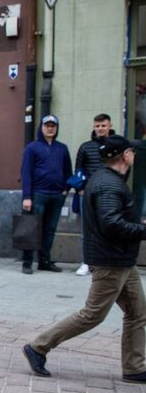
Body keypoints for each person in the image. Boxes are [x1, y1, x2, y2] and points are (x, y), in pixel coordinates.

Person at [22, 135, 146, 383]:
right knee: (92, 315)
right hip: (111, 260)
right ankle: (38, 347)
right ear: (125, 156)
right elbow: (111, 223)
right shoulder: (109, 185)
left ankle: (134, 367)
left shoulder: (107, 180)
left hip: (122, 260)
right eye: (131, 151)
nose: (134, 154)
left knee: (138, 312)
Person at [19, 115, 72, 274]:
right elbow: (26, 173)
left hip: (57, 196)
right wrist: (27, 197)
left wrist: (65, 190)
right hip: (38, 194)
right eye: (47, 125)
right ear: (41, 127)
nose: (50, 128)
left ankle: (44, 261)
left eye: (53, 126)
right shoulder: (32, 147)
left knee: (50, 230)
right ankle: (27, 262)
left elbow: (68, 171)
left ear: (56, 128)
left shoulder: (62, 148)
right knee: (31, 228)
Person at [73, 114, 115, 276]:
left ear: (109, 125)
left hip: (110, 195)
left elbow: (124, 167)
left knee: (108, 228)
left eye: (103, 125)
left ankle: (106, 262)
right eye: (97, 126)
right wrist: (80, 189)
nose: (100, 129)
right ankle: (87, 262)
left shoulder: (117, 144)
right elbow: (78, 169)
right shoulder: (85, 147)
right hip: (88, 195)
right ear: (94, 127)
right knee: (87, 230)